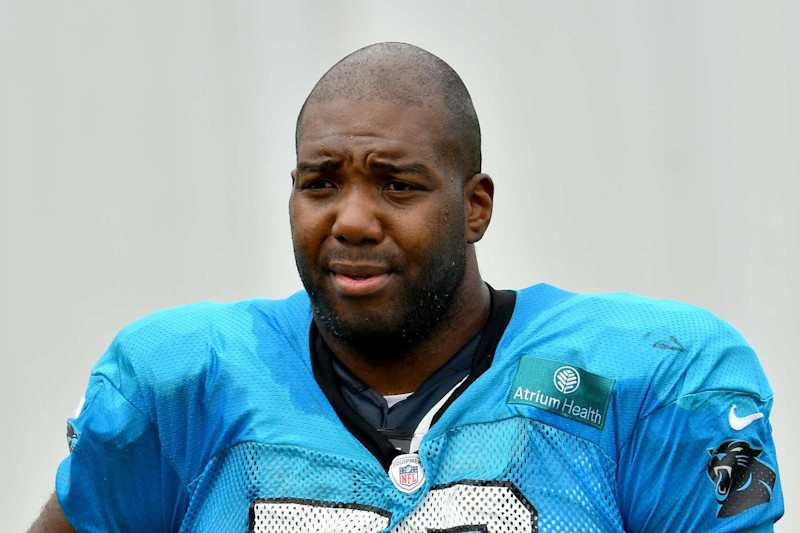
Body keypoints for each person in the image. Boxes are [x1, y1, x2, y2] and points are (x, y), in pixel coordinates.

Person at [30, 42, 782, 532]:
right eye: (321, 184)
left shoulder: (650, 373)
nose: (351, 220)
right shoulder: (179, 381)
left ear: (474, 206)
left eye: (397, 185)